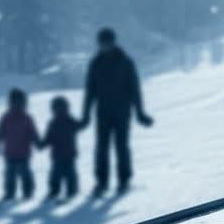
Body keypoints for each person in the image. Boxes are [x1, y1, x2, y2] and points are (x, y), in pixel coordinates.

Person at [82, 28, 153, 197]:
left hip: (122, 111)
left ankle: (124, 180)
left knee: (121, 146)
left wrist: (139, 112)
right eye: (101, 43)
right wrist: (86, 115)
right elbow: (90, 91)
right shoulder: (96, 63)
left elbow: (134, 88)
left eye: (107, 43)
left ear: (113, 43)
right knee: (102, 147)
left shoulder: (125, 62)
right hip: (103, 112)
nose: (104, 46)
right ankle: (102, 182)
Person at [38, 96, 87, 201]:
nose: (60, 111)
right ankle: (54, 191)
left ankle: (72, 191)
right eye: (57, 109)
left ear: (67, 108)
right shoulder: (53, 124)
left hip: (69, 154)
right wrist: (41, 144)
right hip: (57, 155)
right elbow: (48, 138)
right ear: (53, 110)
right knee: (55, 175)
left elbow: (81, 125)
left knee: (70, 174)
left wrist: (86, 117)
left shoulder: (70, 121)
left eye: (63, 108)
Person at [0, 88, 38, 201]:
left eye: (20, 102)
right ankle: (9, 193)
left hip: (24, 153)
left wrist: (38, 142)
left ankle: (28, 192)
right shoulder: (6, 118)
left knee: (25, 174)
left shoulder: (27, 118)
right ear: (10, 103)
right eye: (15, 102)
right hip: (10, 154)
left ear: (24, 103)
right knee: (9, 176)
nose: (18, 105)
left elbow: (32, 132)